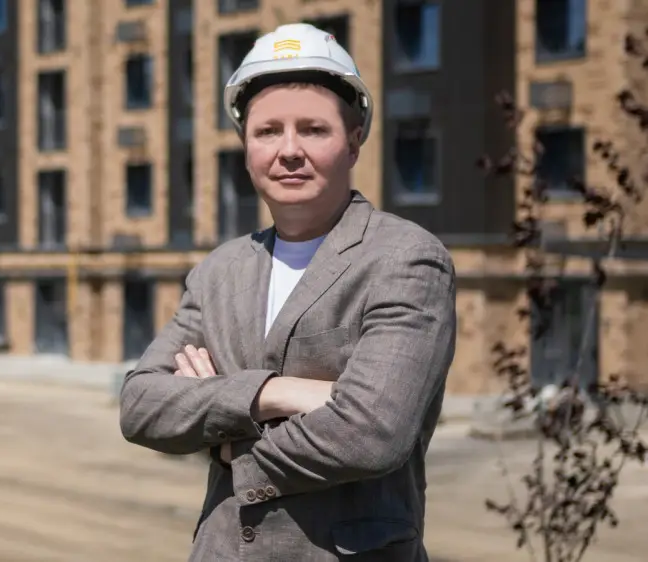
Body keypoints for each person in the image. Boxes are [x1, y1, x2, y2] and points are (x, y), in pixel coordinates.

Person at [118, 22, 457, 562]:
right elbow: (141, 406)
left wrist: (226, 441)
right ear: (245, 145)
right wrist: (275, 393)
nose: (289, 150)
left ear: (354, 141)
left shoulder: (405, 259)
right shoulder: (219, 271)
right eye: (268, 131)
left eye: (314, 130)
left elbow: (372, 434)